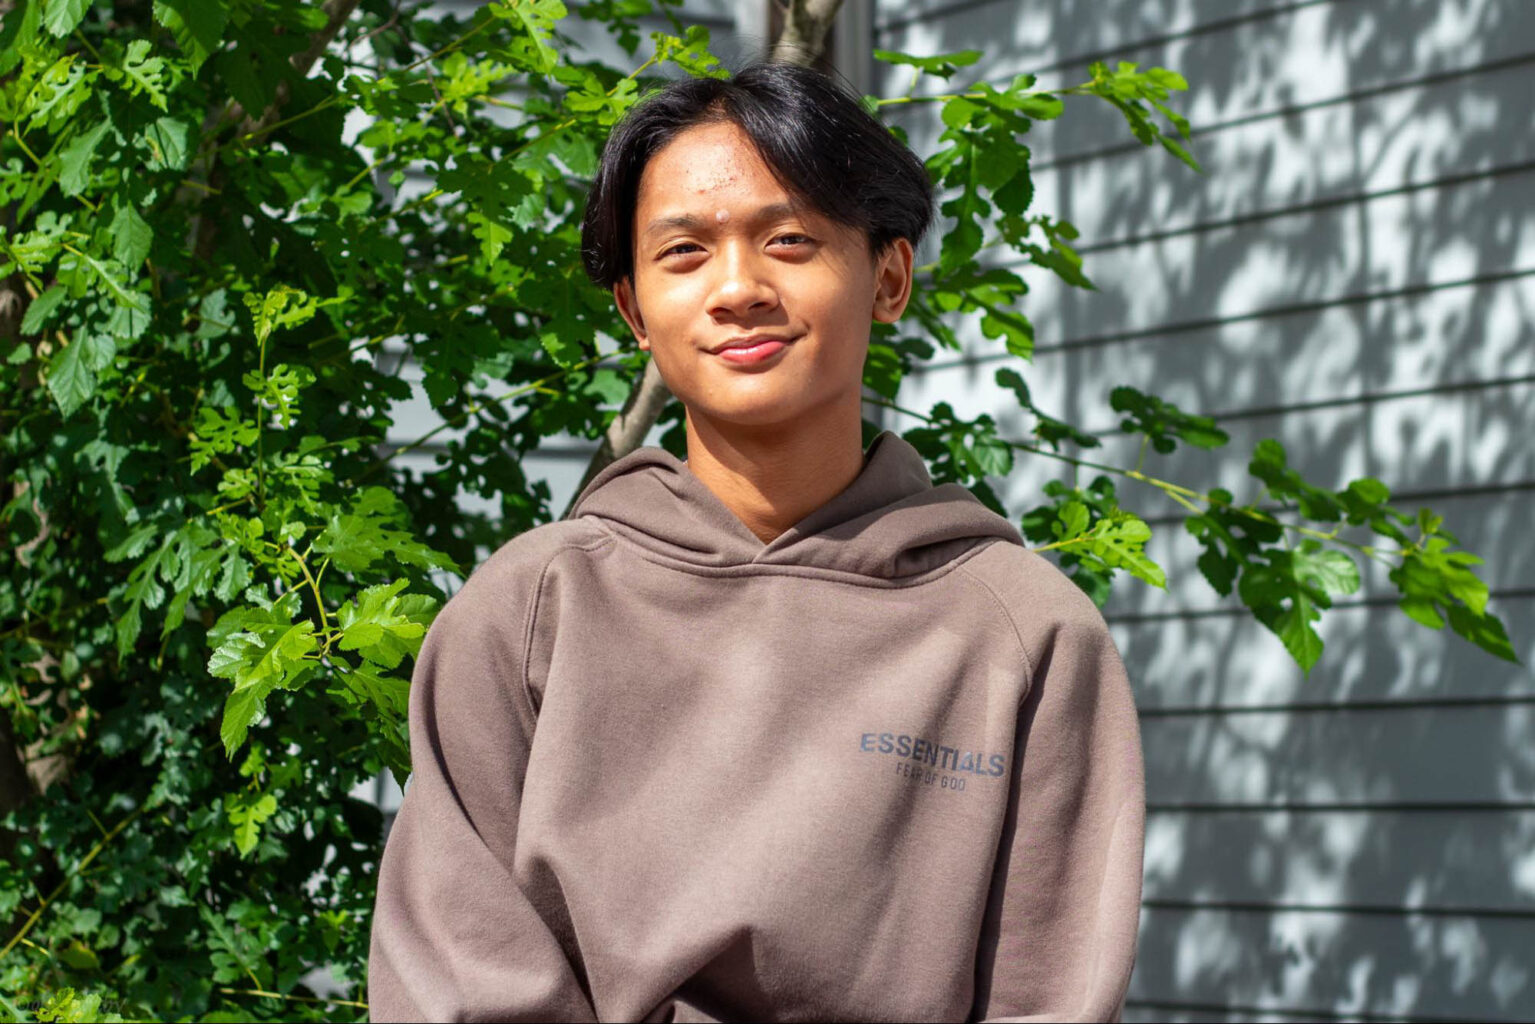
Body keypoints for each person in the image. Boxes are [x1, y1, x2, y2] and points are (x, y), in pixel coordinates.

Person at [367, 60, 1145, 1023]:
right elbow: (456, 983)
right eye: (684, 253)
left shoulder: (1024, 633)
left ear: (888, 276)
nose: (737, 288)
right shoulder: (532, 611)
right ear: (634, 312)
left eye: (787, 239)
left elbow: (1050, 998)